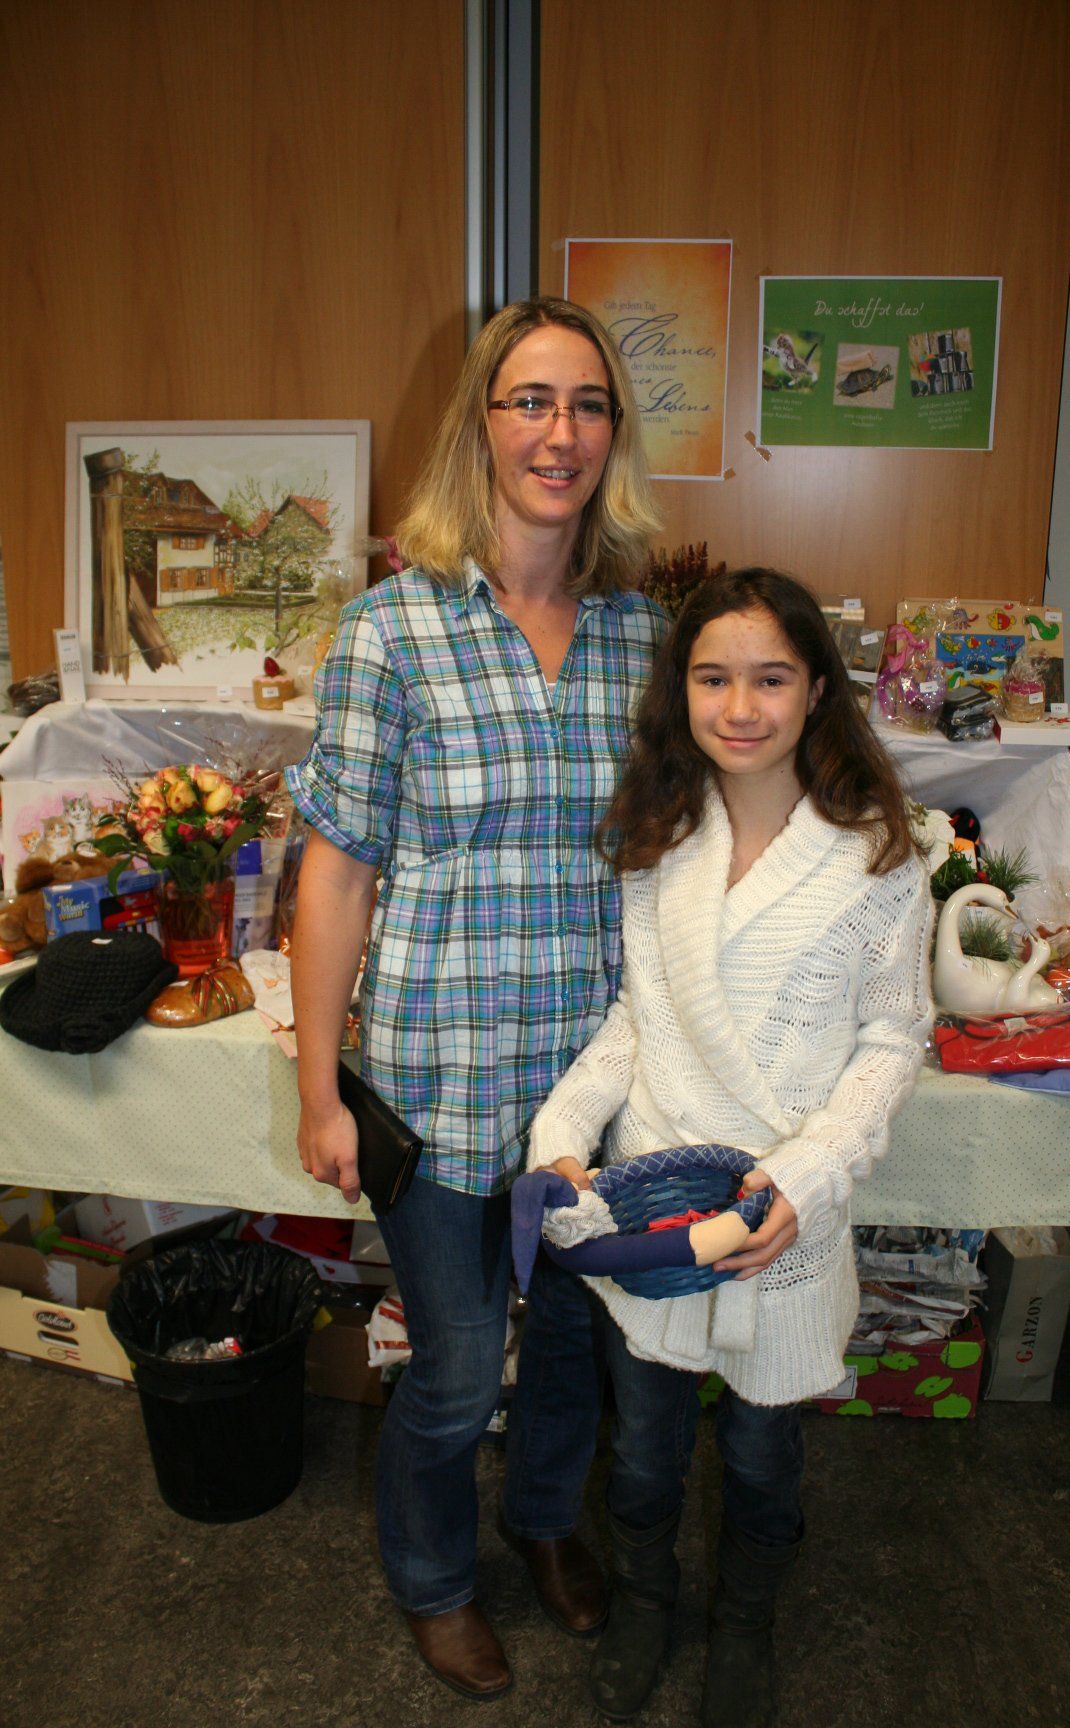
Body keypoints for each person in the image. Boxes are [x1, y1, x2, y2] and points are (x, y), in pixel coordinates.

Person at [283, 297, 663, 1701]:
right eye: (530, 401)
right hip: (438, 1076)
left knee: (569, 1344)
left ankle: (546, 1522)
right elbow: (336, 875)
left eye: (588, 404)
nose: (560, 433)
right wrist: (320, 1092)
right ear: (482, 425)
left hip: (594, 1087)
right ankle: (434, 1578)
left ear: (612, 435)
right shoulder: (392, 631)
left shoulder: (643, 638)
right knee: (451, 1368)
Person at [526, 568, 934, 1728]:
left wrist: (811, 1173)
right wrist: (563, 1134)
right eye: (713, 678)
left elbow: (893, 1039)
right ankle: (646, 1604)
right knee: (645, 1452)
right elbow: (637, 1020)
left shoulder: (879, 856)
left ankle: (746, 1622)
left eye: (771, 679)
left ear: (817, 692)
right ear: (681, 691)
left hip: (784, 1214)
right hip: (657, 1212)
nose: (741, 707)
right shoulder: (660, 836)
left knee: (761, 1457)